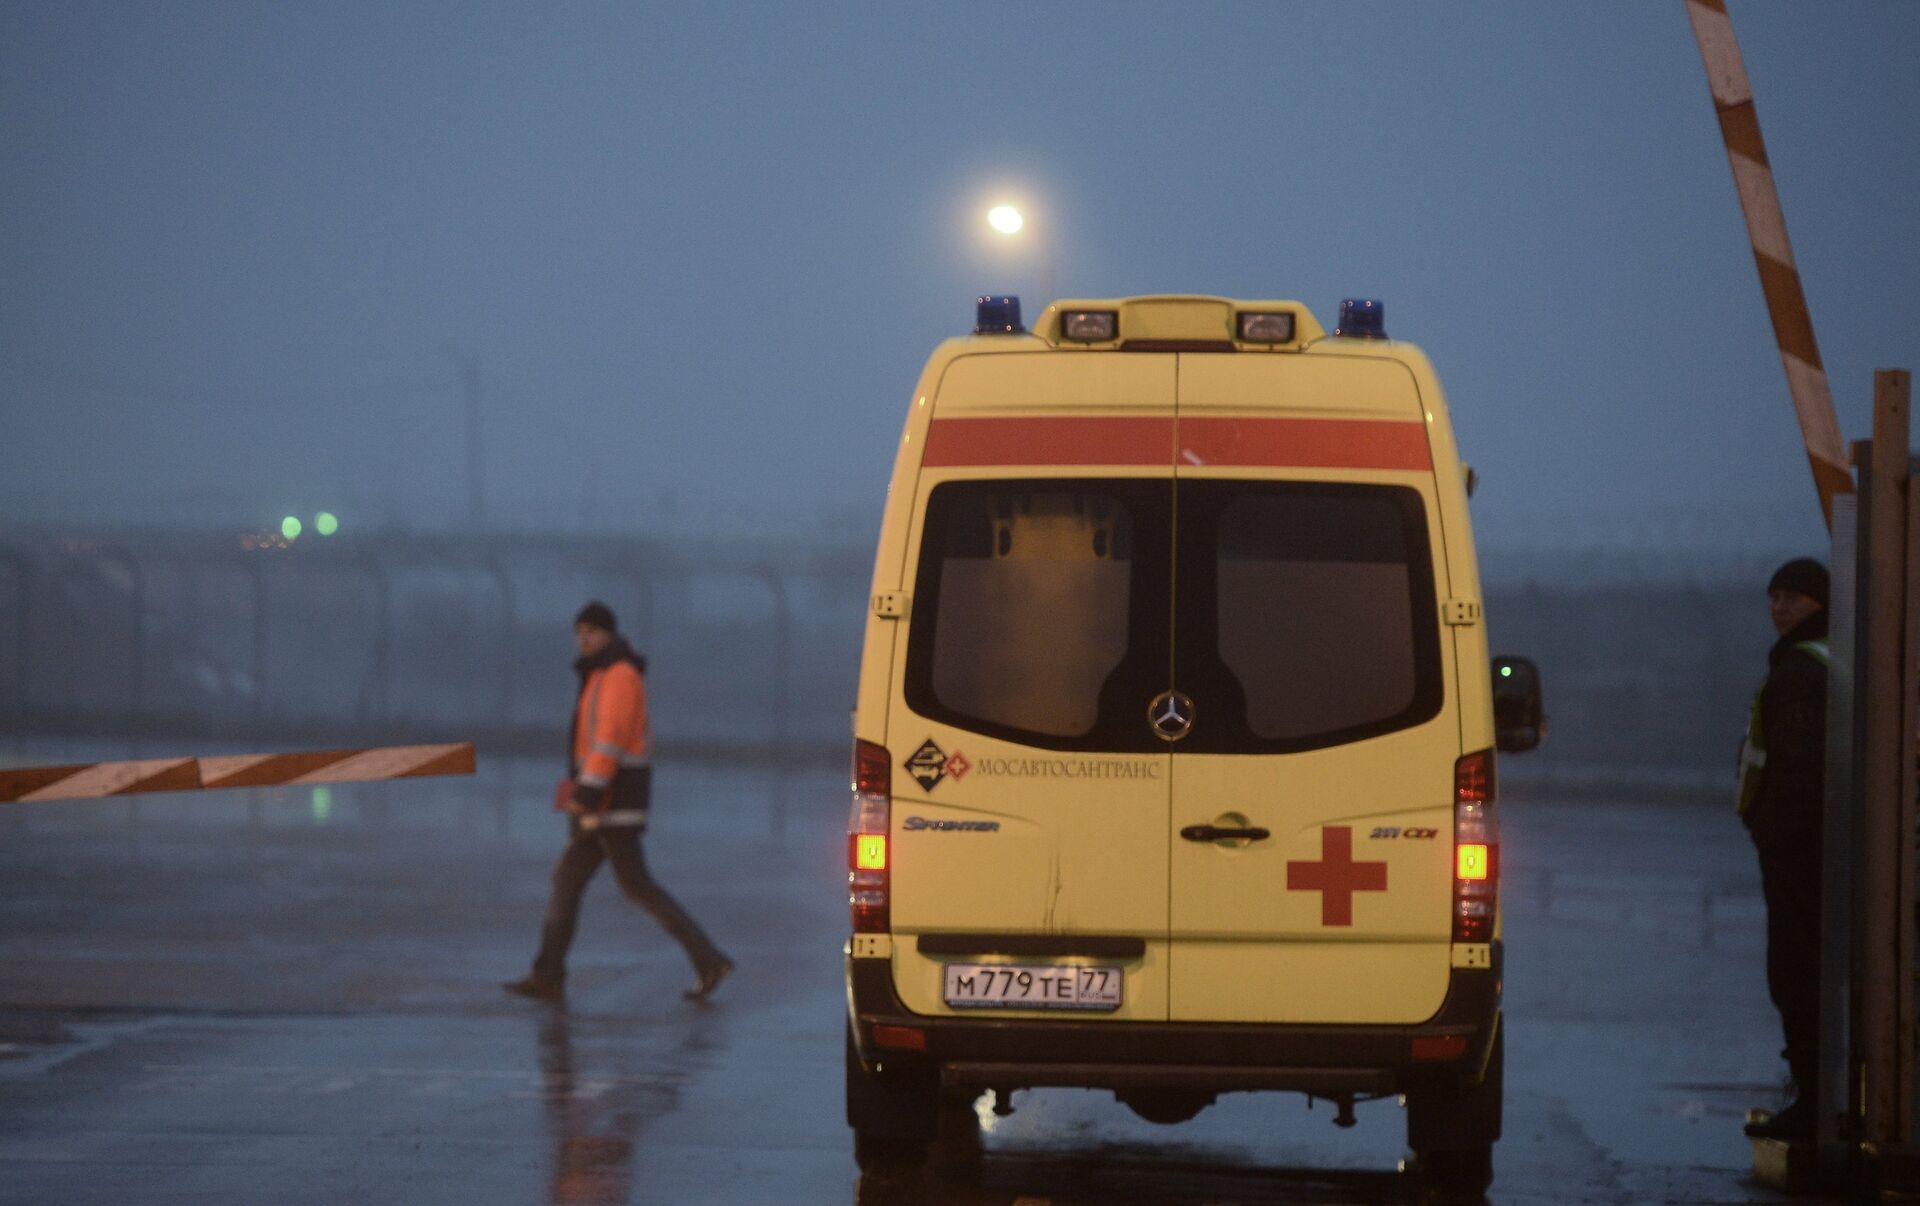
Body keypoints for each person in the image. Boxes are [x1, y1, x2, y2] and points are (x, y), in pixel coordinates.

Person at [505, 601, 733, 1003]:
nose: (584, 638)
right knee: (568, 882)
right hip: (600, 803)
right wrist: (579, 792)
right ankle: (548, 975)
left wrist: (587, 793)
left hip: (613, 804)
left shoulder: (620, 676)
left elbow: (608, 742)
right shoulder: (598, 675)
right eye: (579, 631)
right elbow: (589, 745)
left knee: (636, 887)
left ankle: (709, 959)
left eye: (592, 630)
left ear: (610, 634)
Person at [1739, 558, 1830, 1141]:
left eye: (1792, 600)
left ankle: (1813, 1100)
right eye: (1774, 597)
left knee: (1796, 971)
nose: (1779, 609)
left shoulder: (1800, 669)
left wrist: (1772, 830)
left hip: (1797, 850)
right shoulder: (1822, 659)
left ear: (1818, 607)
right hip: (1808, 845)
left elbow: (1796, 766)